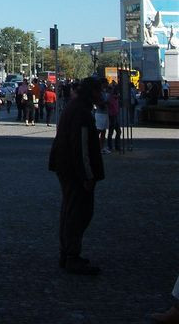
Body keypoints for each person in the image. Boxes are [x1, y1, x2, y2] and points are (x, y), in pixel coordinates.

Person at [49, 77, 104, 275]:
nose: (102, 95)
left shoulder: (75, 107)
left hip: (65, 167)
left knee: (70, 209)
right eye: (100, 91)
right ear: (93, 92)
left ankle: (67, 253)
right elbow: (81, 147)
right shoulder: (82, 113)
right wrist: (87, 175)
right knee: (79, 212)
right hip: (74, 170)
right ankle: (71, 255)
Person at [106, 84, 121, 152]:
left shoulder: (114, 97)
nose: (113, 90)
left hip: (114, 116)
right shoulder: (110, 97)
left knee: (117, 131)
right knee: (111, 132)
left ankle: (115, 146)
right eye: (111, 89)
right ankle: (111, 146)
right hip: (112, 116)